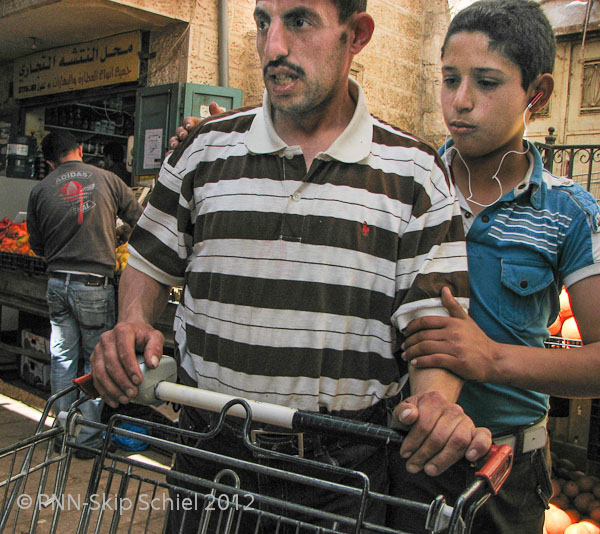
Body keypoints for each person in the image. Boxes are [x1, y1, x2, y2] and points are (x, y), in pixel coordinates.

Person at [91, 0, 492, 529]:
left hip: (342, 472)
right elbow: (148, 259)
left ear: (357, 35)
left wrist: (436, 403)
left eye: (299, 21)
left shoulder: (416, 173)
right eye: (263, 23)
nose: (273, 47)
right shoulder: (203, 151)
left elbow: (430, 325)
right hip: (208, 455)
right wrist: (133, 322)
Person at [389, 1, 600, 532]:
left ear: (538, 92)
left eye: (485, 82)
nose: (460, 102)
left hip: (506, 471)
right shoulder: (405, 187)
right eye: (450, 79)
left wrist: (493, 360)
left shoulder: (568, 212)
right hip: (402, 454)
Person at [27, 130, 142, 459]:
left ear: (50, 161)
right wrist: (117, 236)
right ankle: (87, 441)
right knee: (97, 363)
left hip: (57, 284)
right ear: (79, 149)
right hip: (93, 284)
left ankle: (64, 432)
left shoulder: (40, 189)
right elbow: (141, 219)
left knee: (62, 359)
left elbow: (37, 246)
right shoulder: (108, 179)